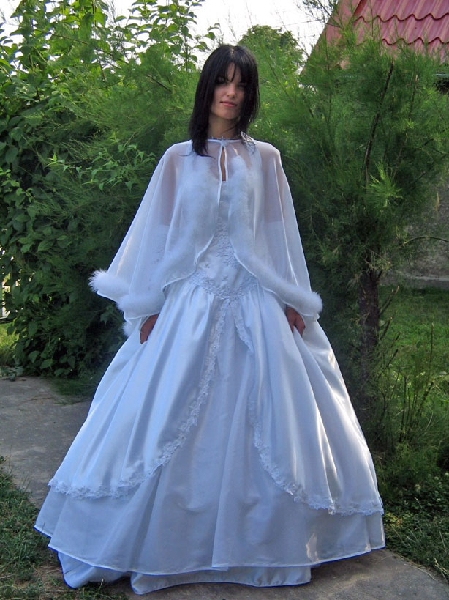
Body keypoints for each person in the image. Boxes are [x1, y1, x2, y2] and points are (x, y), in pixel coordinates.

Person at [35, 44, 384, 595]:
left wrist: (293, 298)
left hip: (254, 298)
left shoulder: (265, 159)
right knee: (162, 411)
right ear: (209, 88)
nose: (232, 93)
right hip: (190, 300)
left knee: (271, 413)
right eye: (223, 82)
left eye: (241, 85)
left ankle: (265, 545)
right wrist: (148, 305)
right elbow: (155, 235)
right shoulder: (178, 159)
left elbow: (279, 234)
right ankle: (157, 542)